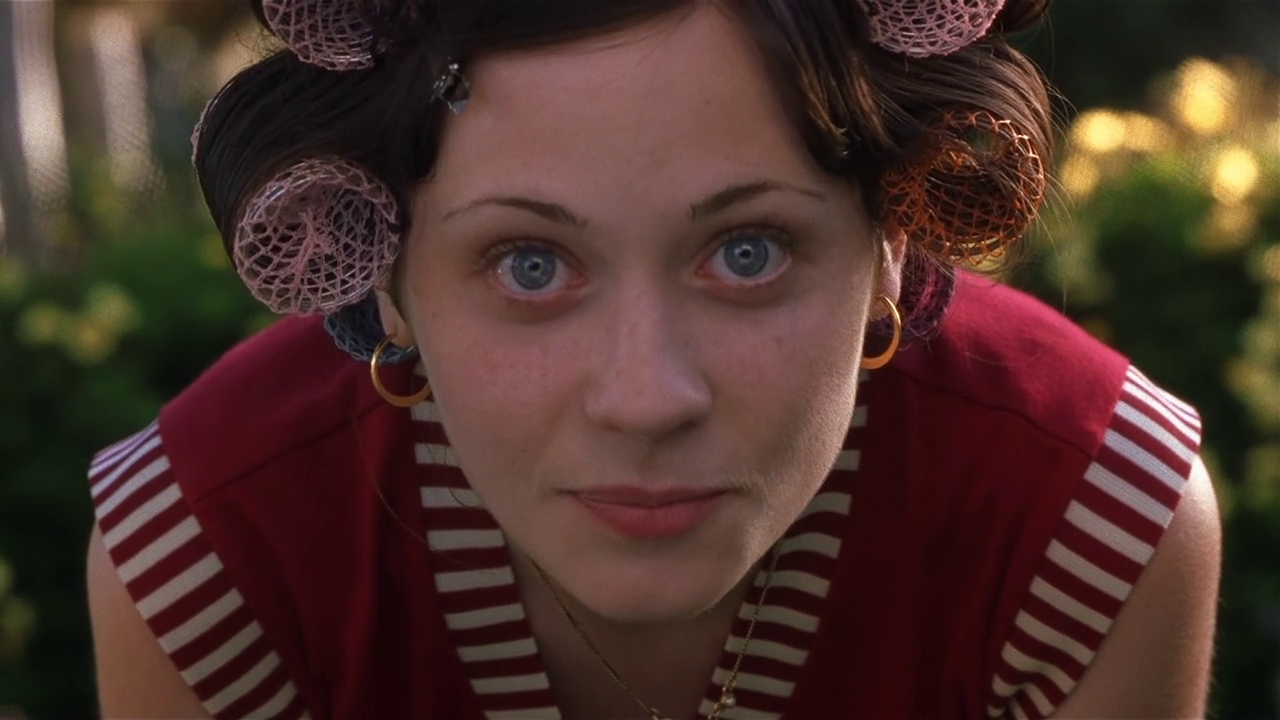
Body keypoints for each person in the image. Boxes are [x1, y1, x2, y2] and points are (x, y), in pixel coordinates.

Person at [84, 1, 1222, 718]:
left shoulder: (1089, 519)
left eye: (747, 251)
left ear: (890, 244)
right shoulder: (210, 563)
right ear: (386, 277)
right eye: (530, 265)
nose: (645, 399)